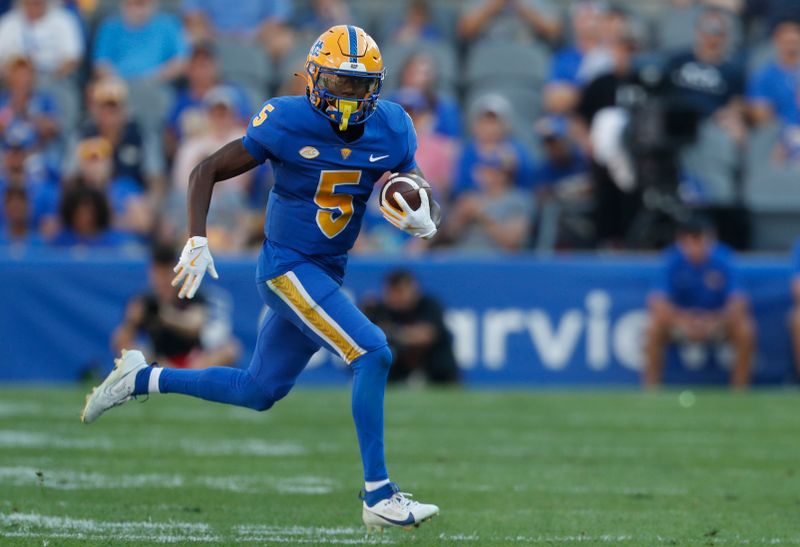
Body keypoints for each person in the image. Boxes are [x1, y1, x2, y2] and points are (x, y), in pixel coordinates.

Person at [81, 25, 440, 530]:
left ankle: (142, 377)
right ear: (314, 78)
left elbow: (413, 182)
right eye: (339, 82)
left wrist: (422, 213)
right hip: (288, 266)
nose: (349, 95)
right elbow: (205, 169)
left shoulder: (394, 127)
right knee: (373, 352)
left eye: (359, 86)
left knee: (259, 389)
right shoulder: (287, 119)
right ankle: (378, 494)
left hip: (326, 269)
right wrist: (197, 237)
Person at [643, 217, 754, 389]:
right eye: (689, 243)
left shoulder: (724, 258)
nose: (695, 249)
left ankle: (740, 391)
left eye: (700, 242)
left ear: (711, 240)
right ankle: (651, 389)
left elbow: (738, 303)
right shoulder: (672, 259)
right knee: (652, 328)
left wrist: (713, 321)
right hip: (680, 322)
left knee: (745, 329)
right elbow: (657, 302)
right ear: (681, 242)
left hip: (717, 322)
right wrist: (683, 321)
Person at [113, 244, 241, 369]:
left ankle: (183, 375)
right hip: (159, 361)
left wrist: (166, 315)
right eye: (158, 274)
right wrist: (131, 322)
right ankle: (168, 374)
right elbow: (120, 341)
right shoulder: (144, 300)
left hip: (193, 360)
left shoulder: (190, 293)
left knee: (230, 349)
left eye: (166, 273)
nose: (162, 280)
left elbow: (195, 326)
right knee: (130, 350)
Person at [363, 270, 459, 384]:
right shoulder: (380, 310)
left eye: (400, 291)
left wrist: (393, 332)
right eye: (391, 291)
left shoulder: (428, 304)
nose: (396, 297)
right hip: (397, 370)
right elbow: (367, 340)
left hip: (436, 370)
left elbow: (426, 336)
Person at [445, 152, 534, 252]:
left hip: (496, 261)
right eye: (483, 170)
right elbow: (450, 235)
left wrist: (481, 215)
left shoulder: (518, 199)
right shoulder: (469, 197)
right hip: (462, 256)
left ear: (504, 174)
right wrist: (460, 217)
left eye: (491, 171)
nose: (485, 175)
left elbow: (511, 241)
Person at [92, 0, 188, 82]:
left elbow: (180, 60)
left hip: (156, 85)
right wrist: (117, 80)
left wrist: (156, 77)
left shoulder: (168, 24)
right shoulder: (109, 26)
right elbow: (101, 63)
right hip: (117, 85)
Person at [0, 0, 84, 78]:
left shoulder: (64, 20)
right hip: (12, 81)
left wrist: (48, 76)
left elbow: (72, 59)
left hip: (53, 78)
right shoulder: (7, 22)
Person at [747, 21, 800, 127]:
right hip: (779, 131)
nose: (791, 47)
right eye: (787, 42)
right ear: (777, 42)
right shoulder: (765, 75)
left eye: (794, 42)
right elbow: (759, 113)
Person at [458, 0, 561, 47]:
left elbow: (554, 31)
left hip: (527, 52)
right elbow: (465, 30)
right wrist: (494, 5)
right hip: (489, 53)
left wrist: (521, 7)